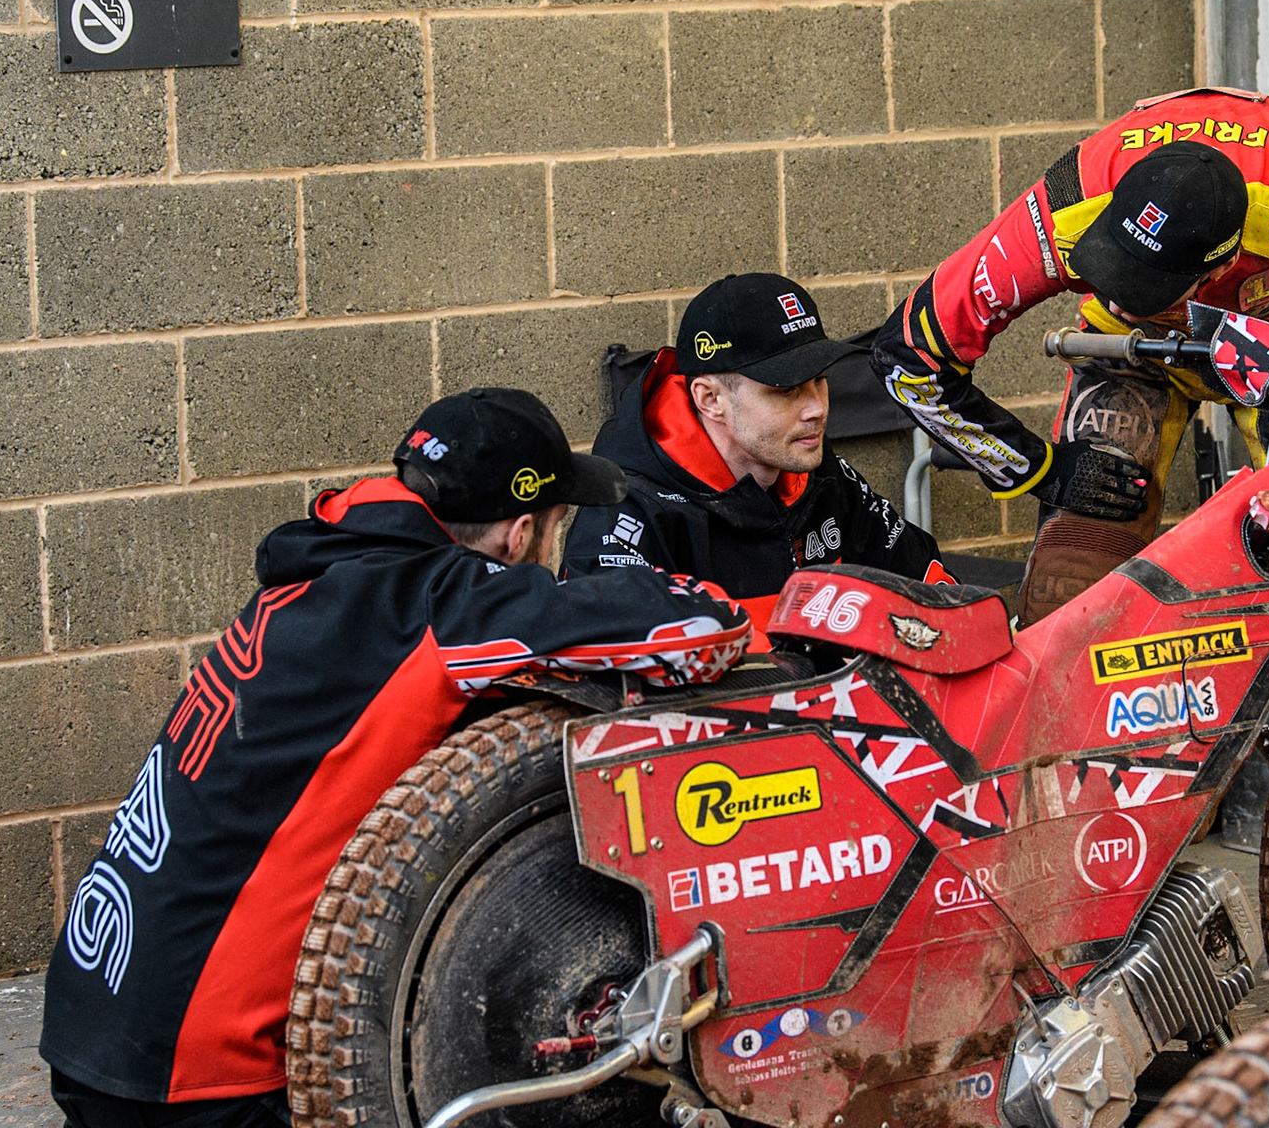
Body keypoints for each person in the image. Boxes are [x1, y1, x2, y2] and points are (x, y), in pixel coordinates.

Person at [39, 388, 750, 1128]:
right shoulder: (436, 605)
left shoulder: (319, 572)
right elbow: (701, 625)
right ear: (518, 535)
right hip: (200, 1082)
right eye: (554, 532)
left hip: (91, 1029)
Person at [871, 86, 1269, 624]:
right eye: (1114, 267)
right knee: (1071, 582)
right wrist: (1036, 467)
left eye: (1148, 283)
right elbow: (906, 354)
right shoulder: (1067, 208)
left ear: (1228, 257)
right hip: (1128, 350)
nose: (1129, 285)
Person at [567, 272, 950, 642]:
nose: (816, 408)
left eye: (820, 381)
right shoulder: (628, 510)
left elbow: (925, 577)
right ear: (710, 399)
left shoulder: (815, 470)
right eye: (787, 390)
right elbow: (610, 662)